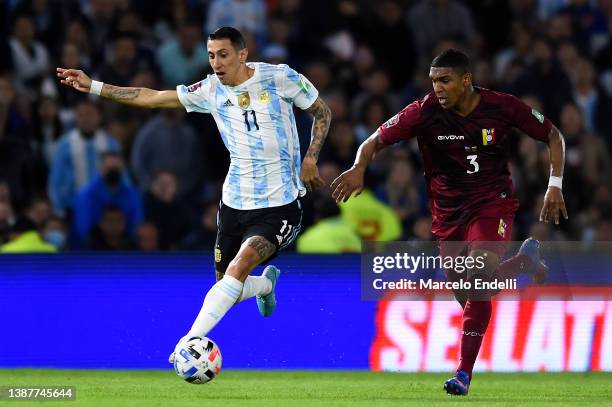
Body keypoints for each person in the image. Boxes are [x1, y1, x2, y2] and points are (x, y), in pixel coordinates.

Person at [57, 26, 331, 359]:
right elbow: (153, 97)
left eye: (224, 54)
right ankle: (265, 285)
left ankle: (188, 341)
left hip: (280, 205)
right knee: (227, 286)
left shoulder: (280, 78)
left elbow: (322, 112)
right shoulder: (209, 90)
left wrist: (311, 158)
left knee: (239, 266)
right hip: (234, 204)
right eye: (212, 55)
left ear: (243, 54)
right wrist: (95, 87)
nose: (216, 62)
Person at [331, 49, 567, 395]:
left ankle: (463, 374)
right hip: (448, 214)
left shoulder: (501, 106)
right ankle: (522, 262)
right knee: (469, 292)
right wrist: (359, 166)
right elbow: (374, 141)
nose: (437, 87)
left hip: (492, 205)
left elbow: (553, 136)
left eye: (445, 80)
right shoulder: (424, 111)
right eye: (433, 81)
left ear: (466, 80)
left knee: (478, 277)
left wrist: (554, 185)